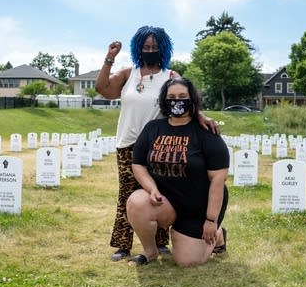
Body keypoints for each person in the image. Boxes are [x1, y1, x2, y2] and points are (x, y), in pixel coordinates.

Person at [95, 26, 218, 262]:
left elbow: (185, 100)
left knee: (159, 194)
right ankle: (122, 244)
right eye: (146, 46)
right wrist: (109, 58)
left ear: (163, 48)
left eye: (154, 46)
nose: (150, 50)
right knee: (126, 195)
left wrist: (202, 117)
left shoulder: (170, 76)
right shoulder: (128, 74)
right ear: (138, 48)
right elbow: (103, 89)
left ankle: (160, 243)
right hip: (128, 144)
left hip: (159, 145)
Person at [127, 77, 228, 267]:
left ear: (192, 99)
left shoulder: (206, 131)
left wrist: (211, 220)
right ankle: (150, 251)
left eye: (182, 96)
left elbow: (218, 179)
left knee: (187, 262)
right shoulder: (153, 128)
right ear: (164, 100)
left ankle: (219, 235)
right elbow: (138, 164)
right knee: (136, 202)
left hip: (199, 207)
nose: (177, 101)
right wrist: (152, 189)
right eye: (171, 97)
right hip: (165, 202)